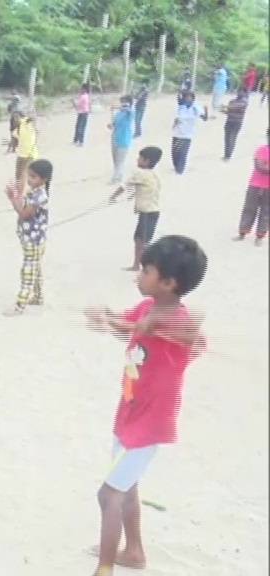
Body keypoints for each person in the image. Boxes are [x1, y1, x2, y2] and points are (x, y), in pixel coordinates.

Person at [83, 234, 208, 576]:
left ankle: (104, 568)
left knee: (108, 496)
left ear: (169, 283)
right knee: (127, 488)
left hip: (149, 424)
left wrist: (160, 323)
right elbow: (128, 330)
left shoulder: (177, 320)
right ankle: (134, 552)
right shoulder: (145, 309)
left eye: (146, 271)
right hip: (128, 414)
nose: (139, 275)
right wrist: (105, 317)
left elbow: (196, 325)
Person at [3, 159, 51, 316]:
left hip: (34, 239)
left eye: (33, 177)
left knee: (28, 271)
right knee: (35, 268)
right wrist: (16, 197)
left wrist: (13, 200)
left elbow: (24, 213)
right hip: (29, 237)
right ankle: (37, 296)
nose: (30, 179)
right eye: (29, 175)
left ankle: (20, 306)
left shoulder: (40, 196)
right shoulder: (34, 192)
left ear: (44, 180)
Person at [109, 146, 163, 271]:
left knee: (143, 242)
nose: (137, 159)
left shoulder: (140, 173)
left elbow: (124, 185)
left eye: (140, 158)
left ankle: (144, 269)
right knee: (139, 240)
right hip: (152, 212)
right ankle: (136, 265)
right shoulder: (154, 174)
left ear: (146, 161)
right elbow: (148, 190)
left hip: (147, 213)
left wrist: (113, 197)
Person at [235, 129, 270, 246]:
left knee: (266, 211)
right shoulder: (262, 149)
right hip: (255, 184)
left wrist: (265, 165)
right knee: (249, 208)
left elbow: (262, 165)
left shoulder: (262, 151)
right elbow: (259, 166)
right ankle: (243, 232)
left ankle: (260, 235)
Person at [170, 91, 208, 175]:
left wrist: (206, 110)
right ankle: (176, 167)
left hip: (187, 134)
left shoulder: (196, 108)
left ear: (193, 99)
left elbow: (204, 118)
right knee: (175, 152)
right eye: (186, 97)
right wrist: (174, 125)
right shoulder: (180, 107)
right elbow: (177, 117)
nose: (188, 99)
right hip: (177, 133)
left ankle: (180, 170)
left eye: (189, 97)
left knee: (183, 153)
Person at [108, 96, 135, 184]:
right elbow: (114, 124)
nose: (122, 103)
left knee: (120, 161)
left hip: (124, 140)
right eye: (121, 101)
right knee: (116, 161)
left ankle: (115, 179)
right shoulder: (119, 113)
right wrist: (111, 125)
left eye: (124, 102)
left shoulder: (131, 112)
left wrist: (117, 107)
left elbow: (128, 109)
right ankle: (119, 176)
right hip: (115, 138)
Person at [11, 111, 38, 186]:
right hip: (21, 155)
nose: (15, 119)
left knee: (24, 175)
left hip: (30, 155)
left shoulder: (26, 124)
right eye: (14, 118)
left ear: (20, 117)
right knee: (18, 176)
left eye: (17, 117)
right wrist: (12, 148)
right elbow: (14, 141)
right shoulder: (16, 130)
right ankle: (19, 190)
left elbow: (31, 118)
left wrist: (28, 118)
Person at [221, 89, 249, 161]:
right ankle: (227, 154)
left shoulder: (244, 101)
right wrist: (224, 111)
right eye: (239, 91)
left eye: (241, 91)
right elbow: (229, 111)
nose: (239, 93)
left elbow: (238, 108)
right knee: (227, 138)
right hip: (229, 121)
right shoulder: (232, 101)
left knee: (232, 138)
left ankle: (228, 155)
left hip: (237, 122)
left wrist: (227, 108)